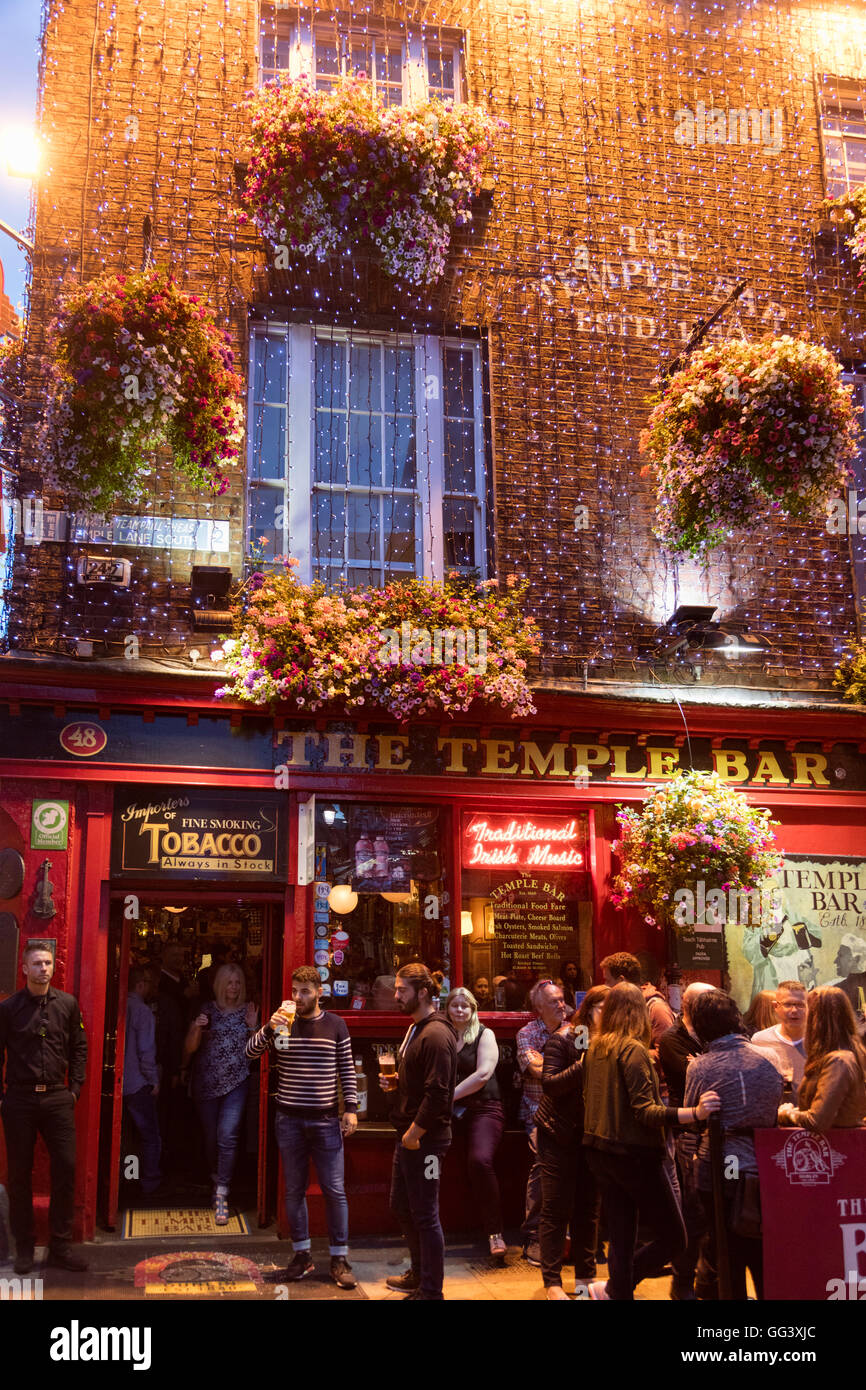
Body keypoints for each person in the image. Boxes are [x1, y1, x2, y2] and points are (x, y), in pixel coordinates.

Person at [582, 982, 719, 1301]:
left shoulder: (596, 1047)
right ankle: (618, 1286)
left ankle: (618, 1291)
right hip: (635, 1155)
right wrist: (694, 1112)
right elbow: (646, 1111)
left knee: (621, 1234)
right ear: (640, 1013)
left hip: (599, 1151)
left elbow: (589, 1098)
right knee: (675, 1238)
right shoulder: (634, 1050)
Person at [246, 965, 358, 1289]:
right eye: (295, 991)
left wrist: (350, 1110)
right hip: (289, 1118)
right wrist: (268, 1027)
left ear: (319, 992)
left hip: (324, 1119)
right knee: (293, 1191)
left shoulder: (336, 1025)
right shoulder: (283, 1024)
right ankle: (302, 1258)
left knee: (334, 1190)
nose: (298, 997)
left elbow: (347, 1071)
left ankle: (339, 1259)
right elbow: (249, 1053)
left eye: (305, 991)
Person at [685, 989, 783, 1300]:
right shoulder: (770, 1057)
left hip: (722, 1166)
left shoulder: (700, 1066)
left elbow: (693, 1116)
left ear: (700, 1025)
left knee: (726, 1246)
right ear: (735, 1018)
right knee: (764, 1246)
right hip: (765, 1165)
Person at [0, 941, 88, 1274]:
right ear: (24, 968)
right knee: (19, 1176)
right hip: (19, 1099)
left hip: (57, 1098)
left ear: (54, 967)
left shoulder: (67, 1004)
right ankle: (25, 1248)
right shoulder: (8, 1009)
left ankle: (60, 1247)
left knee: (65, 1168)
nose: (43, 969)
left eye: (48, 963)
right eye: (37, 964)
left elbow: (80, 1047)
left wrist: (75, 1089)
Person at [383, 963, 457, 1300]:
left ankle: (431, 1290)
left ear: (423, 992)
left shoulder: (436, 1034)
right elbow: (422, 1079)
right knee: (402, 1205)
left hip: (426, 1141)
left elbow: (439, 1093)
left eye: (402, 990)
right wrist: (398, 1082)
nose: (396, 995)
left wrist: (414, 1133)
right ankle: (418, 1273)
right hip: (409, 1135)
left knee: (426, 1214)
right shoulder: (415, 1028)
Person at [536, 983, 608, 1299]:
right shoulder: (564, 1039)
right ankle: (552, 1282)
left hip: (592, 1135)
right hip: (558, 1133)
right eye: (604, 1008)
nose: (610, 1014)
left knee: (589, 1209)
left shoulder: (612, 1044)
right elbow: (550, 1084)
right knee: (555, 1208)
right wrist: (584, 1064)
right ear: (589, 1009)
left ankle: (585, 1279)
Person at [185, 963, 256, 1225]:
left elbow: (255, 1052)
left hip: (237, 1082)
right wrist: (196, 1027)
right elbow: (190, 1048)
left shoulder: (248, 1010)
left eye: (237, 983)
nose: (234, 988)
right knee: (211, 1137)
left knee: (228, 1135)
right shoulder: (206, 1010)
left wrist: (252, 1027)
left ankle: (222, 1192)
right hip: (207, 1081)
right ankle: (216, 1177)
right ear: (219, 985)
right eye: (229, 982)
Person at [658, 981, 715, 1300]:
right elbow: (690, 1073)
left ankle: (711, 1280)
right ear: (692, 1005)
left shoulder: (714, 1033)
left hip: (725, 1145)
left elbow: (702, 1070)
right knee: (693, 1208)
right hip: (689, 1138)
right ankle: (682, 1282)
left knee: (724, 1200)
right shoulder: (671, 1038)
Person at [446, 987, 506, 1258]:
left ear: (473, 1010)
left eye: (465, 1006)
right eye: (455, 1005)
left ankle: (495, 1233)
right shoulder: (443, 1035)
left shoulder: (485, 1034)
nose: (460, 1010)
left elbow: (483, 1074)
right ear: (447, 1009)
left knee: (480, 1161)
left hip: (485, 1108)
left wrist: (448, 1097)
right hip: (452, 1110)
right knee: (425, 1154)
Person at [516, 978, 569, 1266]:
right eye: (553, 1001)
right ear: (538, 1007)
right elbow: (538, 1072)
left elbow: (586, 1065)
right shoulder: (526, 1033)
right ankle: (534, 1237)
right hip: (538, 1112)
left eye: (562, 999)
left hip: (572, 1113)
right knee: (542, 1162)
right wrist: (566, 1063)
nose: (561, 1005)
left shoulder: (578, 1030)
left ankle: (573, 1235)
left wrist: (550, 1062)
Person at [778, 986, 866, 1131]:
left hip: (836, 1148)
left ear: (816, 1018)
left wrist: (788, 1113)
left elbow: (816, 1120)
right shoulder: (848, 1054)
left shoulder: (839, 1061)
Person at [123, 966, 162, 1197]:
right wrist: (153, 1080)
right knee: (149, 1136)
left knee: (127, 1136)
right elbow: (146, 1051)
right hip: (138, 1084)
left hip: (121, 1082)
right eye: (148, 983)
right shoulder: (143, 1011)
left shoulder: (120, 1007)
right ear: (141, 984)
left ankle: (128, 1179)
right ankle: (149, 1184)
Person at [599, 951, 675, 1054]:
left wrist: (627, 1055)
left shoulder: (657, 1009)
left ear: (621, 981)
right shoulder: (619, 1008)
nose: (605, 986)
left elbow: (666, 1054)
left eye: (607, 981)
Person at [749, 980, 808, 1090]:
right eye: (788, 1004)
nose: (794, 1010)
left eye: (800, 1005)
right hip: (772, 1106)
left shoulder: (820, 1040)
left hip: (812, 1107)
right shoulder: (760, 1041)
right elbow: (753, 1082)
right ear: (776, 1006)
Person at [834, 935, 866, 1021]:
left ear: (856, 959)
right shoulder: (836, 990)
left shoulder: (838, 991)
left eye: (841, 955)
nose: (835, 961)